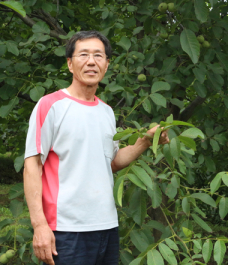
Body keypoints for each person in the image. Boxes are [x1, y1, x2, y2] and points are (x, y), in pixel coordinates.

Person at [23, 30, 169, 265]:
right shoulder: (50, 105)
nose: (91, 61)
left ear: (107, 65)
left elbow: (111, 163)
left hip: (106, 226)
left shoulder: (107, 112)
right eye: (83, 55)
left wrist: (145, 141)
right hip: (65, 229)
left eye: (98, 56)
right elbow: (32, 166)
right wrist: (39, 225)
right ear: (70, 64)